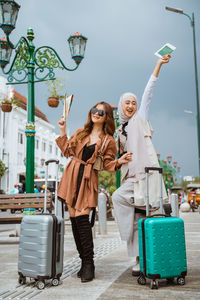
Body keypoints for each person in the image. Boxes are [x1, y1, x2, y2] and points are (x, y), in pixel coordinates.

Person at [56, 102, 132, 283]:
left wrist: (119, 161)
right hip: (72, 175)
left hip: (88, 180)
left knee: (83, 220)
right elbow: (67, 151)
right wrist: (62, 130)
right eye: (94, 110)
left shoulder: (108, 140)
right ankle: (83, 262)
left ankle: (89, 264)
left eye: (101, 112)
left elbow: (107, 165)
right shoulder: (82, 132)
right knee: (74, 221)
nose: (96, 114)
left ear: (106, 117)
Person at [112, 55, 171, 276]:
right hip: (131, 178)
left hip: (147, 176)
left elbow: (148, 92)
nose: (131, 105)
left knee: (137, 209)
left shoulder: (141, 117)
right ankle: (137, 259)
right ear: (121, 105)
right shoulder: (120, 129)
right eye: (127, 102)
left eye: (133, 102)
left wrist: (158, 65)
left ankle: (147, 254)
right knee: (136, 216)